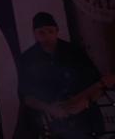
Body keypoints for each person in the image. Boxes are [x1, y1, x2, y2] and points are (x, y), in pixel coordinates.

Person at [16, 11, 114, 139]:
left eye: (50, 31)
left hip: (85, 119)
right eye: (41, 32)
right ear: (35, 34)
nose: (47, 36)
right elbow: (26, 96)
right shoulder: (27, 59)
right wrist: (50, 109)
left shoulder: (74, 52)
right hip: (51, 122)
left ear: (57, 31)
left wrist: (85, 102)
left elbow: (98, 84)